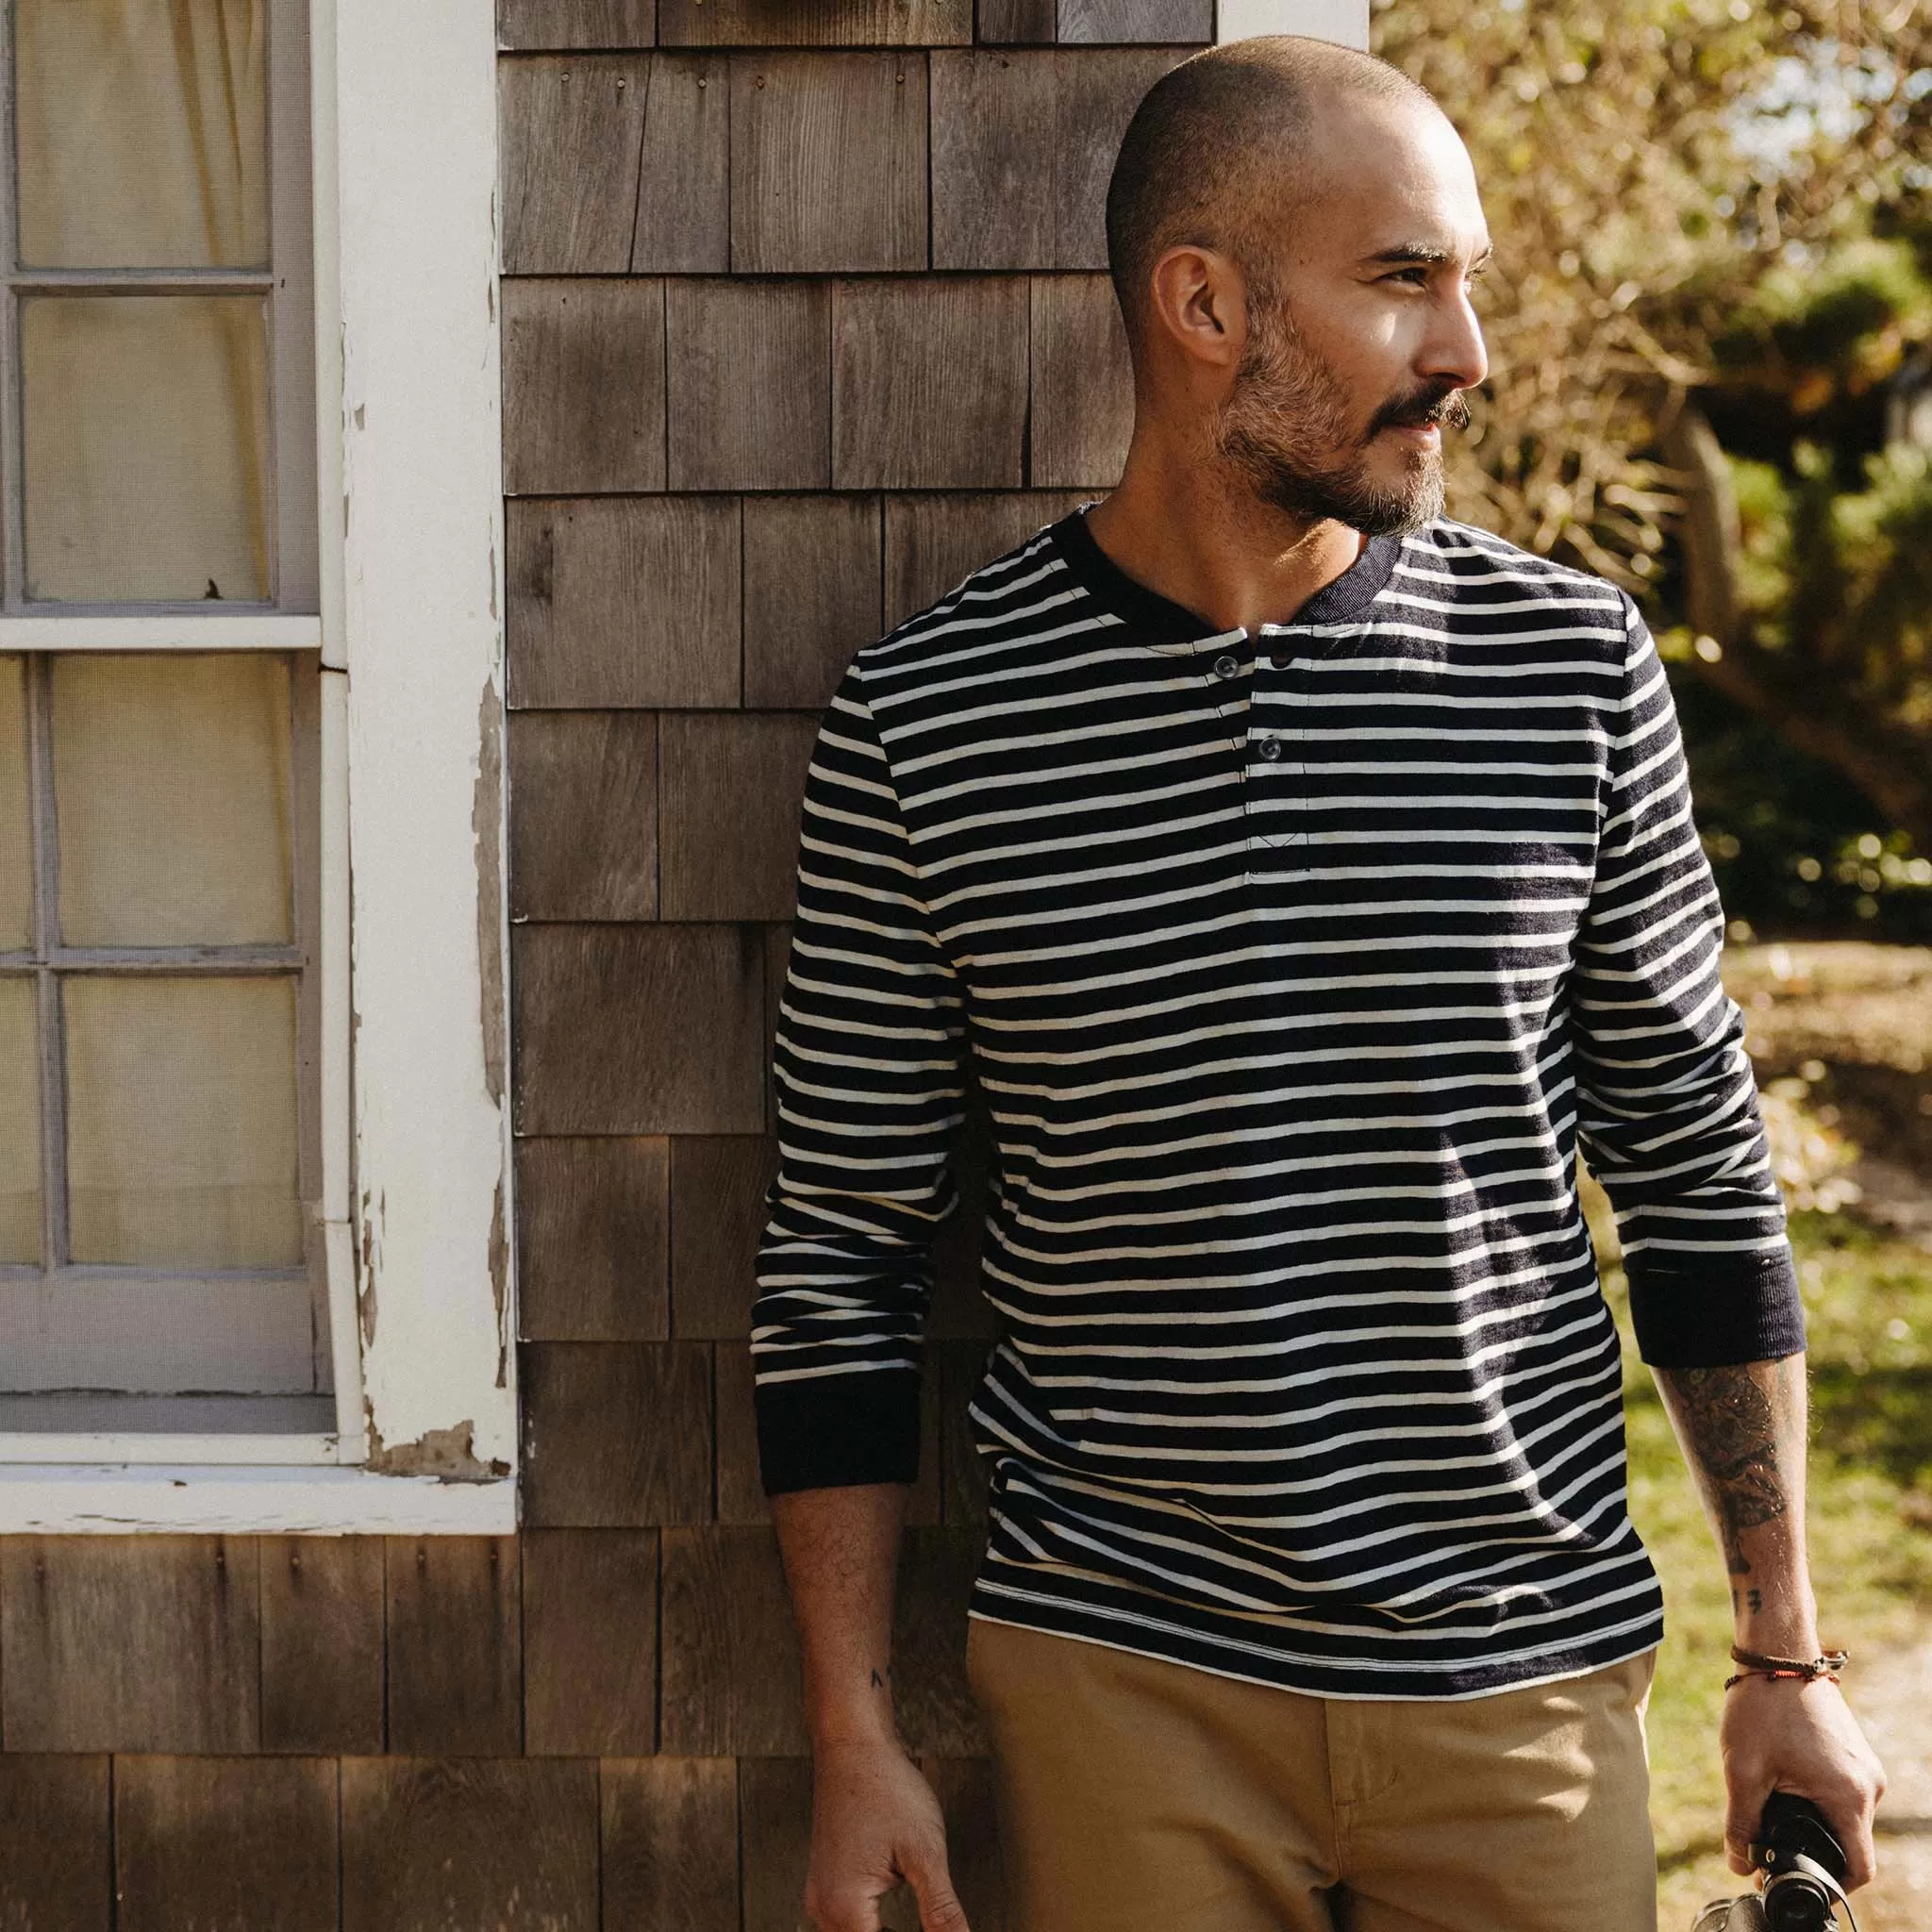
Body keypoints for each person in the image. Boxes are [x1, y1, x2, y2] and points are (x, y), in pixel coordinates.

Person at [750, 34, 1885, 1932]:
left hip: (1521, 1678)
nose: (1469, 352)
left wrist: (1785, 1661)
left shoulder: (1568, 672)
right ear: (1201, 302)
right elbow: (838, 1261)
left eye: (1469, 285)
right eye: (1400, 281)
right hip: (1125, 1684)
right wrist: (854, 1741)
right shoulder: (925, 726)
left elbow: (1696, 1169)